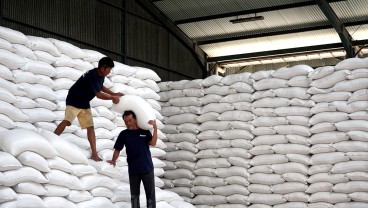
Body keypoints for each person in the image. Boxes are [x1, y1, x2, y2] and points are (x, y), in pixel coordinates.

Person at [54, 56, 124, 161]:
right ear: (103, 68)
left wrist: (113, 93)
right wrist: (112, 98)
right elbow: (98, 94)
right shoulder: (92, 75)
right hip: (74, 100)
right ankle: (52, 139)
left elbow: (100, 87)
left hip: (84, 102)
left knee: (90, 127)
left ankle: (94, 154)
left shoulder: (101, 75)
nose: (109, 72)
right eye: (109, 69)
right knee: (67, 122)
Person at [108, 110, 157, 208]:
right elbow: (117, 149)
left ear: (135, 119)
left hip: (147, 169)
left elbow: (153, 143)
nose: (128, 123)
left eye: (130, 120)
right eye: (126, 121)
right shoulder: (124, 134)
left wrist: (155, 128)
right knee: (134, 197)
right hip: (133, 170)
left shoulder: (144, 132)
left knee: (150, 196)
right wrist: (113, 160)